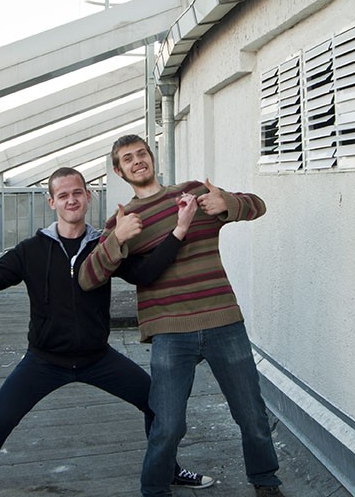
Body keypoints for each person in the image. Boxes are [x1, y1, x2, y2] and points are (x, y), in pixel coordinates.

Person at [0, 166, 214, 496]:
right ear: (52, 202)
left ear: (88, 196)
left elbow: (146, 273)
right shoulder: (31, 250)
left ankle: (167, 470)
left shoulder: (105, 244)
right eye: (63, 195)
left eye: (76, 193)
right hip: (44, 361)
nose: (71, 200)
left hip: (97, 359)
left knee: (157, 405)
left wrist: (179, 230)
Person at [80, 136, 282, 497]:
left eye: (141, 153)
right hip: (171, 333)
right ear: (119, 171)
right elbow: (88, 277)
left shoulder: (193, 193)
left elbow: (258, 206)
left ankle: (266, 482)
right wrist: (117, 239)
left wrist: (228, 203)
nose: (137, 161)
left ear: (152, 157)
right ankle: (155, 489)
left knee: (252, 414)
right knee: (168, 424)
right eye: (128, 158)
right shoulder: (123, 221)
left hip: (223, 322)